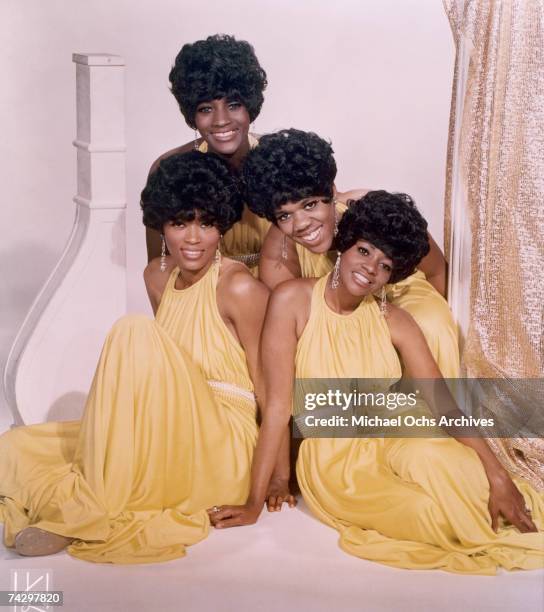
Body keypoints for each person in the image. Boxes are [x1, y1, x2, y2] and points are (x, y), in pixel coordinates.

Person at [209, 191, 543, 574]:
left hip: (399, 430)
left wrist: (497, 474)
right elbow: (278, 408)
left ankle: (497, 495)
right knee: (429, 514)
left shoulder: (395, 319)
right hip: (338, 457)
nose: (371, 269)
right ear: (346, 244)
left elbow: (445, 405)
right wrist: (255, 500)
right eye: (365, 252)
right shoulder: (292, 300)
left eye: (385, 266)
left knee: (457, 472)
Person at [0, 151, 269, 563]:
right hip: (171, 422)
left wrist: (266, 488)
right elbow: (165, 368)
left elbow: (271, 391)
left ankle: (77, 515)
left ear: (223, 225)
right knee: (19, 445)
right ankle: (81, 504)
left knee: (133, 329)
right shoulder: (157, 277)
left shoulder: (239, 287)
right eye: (180, 223)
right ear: (162, 225)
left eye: (207, 223)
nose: (193, 238)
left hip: (224, 441)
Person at [242, 128, 459, 377]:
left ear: (332, 192)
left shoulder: (368, 206)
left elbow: (436, 271)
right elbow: (295, 330)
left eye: (310, 204)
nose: (301, 224)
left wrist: (448, 320)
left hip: (400, 293)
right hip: (337, 318)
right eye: (285, 215)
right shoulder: (277, 258)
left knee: (431, 325)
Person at [146, 34, 270, 272]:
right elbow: (159, 267)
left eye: (234, 105)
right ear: (192, 113)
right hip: (204, 300)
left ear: (250, 106)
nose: (221, 120)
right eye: (206, 108)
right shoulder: (170, 170)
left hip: (282, 297)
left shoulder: (283, 162)